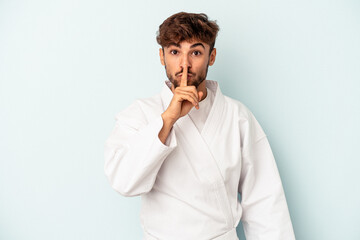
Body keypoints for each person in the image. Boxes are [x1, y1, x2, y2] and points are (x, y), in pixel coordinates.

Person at [104, 12, 295, 240]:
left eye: (195, 52)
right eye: (175, 52)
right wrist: (167, 120)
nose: (185, 64)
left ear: (211, 56)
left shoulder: (237, 117)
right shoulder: (140, 114)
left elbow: (265, 203)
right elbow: (124, 182)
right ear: (162, 56)